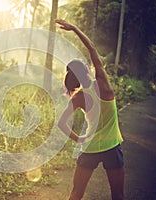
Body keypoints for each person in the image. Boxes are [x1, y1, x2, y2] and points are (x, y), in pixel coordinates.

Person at [55, 19, 124, 200]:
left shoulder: (78, 97)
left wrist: (79, 139)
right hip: (112, 147)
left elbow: (61, 123)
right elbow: (92, 48)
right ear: (87, 69)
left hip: (89, 148)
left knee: (76, 193)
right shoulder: (103, 83)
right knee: (118, 195)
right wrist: (75, 28)